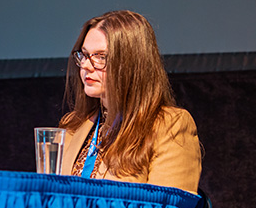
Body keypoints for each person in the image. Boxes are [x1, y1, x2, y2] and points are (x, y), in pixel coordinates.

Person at [58, 10, 201, 193]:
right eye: (84, 55)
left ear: (131, 65)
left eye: (101, 57)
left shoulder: (170, 126)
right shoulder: (72, 126)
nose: (86, 65)